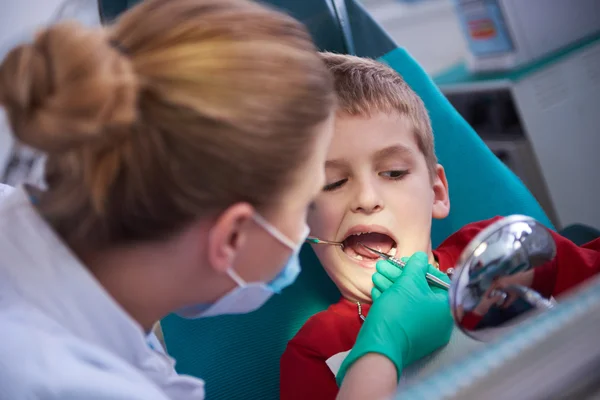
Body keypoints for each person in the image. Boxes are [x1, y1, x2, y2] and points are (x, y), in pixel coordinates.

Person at [0, 1, 452, 399]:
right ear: (232, 236)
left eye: (392, 173)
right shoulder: (58, 382)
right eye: (317, 194)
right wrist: (381, 351)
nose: (365, 199)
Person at [279, 52, 600, 400]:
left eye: (394, 173)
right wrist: (385, 343)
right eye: (333, 182)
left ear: (437, 193)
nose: (367, 198)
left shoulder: (496, 253)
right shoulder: (316, 351)